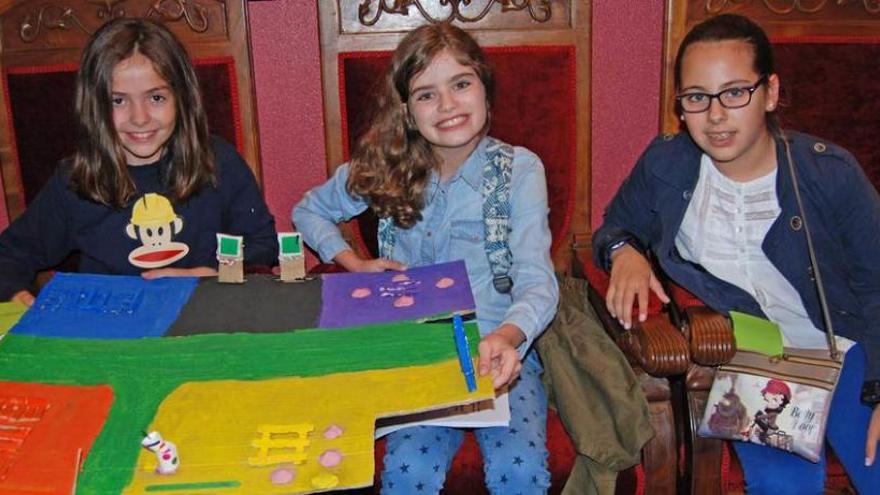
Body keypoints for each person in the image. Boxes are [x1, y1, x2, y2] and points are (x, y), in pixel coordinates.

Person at [593, 13, 879, 494]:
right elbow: (615, 225)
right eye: (697, 98)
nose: (716, 115)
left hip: (847, 348)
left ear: (768, 92)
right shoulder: (667, 164)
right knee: (783, 486)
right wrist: (625, 252)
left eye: (734, 93)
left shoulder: (829, 174)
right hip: (757, 355)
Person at [293, 22, 558, 494]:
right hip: (416, 352)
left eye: (460, 84)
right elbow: (310, 209)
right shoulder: (387, 165)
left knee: (520, 471)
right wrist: (353, 261)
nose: (449, 105)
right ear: (408, 112)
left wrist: (508, 336)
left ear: (484, 87)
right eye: (426, 95)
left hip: (504, 348)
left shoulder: (520, 170)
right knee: (408, 471)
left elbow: (539, 280)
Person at [0, 18, 277, 305]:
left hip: (203, 320)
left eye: (156, 97)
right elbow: (9, 255)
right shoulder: (75, 180)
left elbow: (262, 245)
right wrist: (16, 294)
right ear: (95, 107)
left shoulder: (219, 162)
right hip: (109, 333)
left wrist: (214, 275)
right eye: (118, 101)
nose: (139, 117)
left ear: (182, 99)